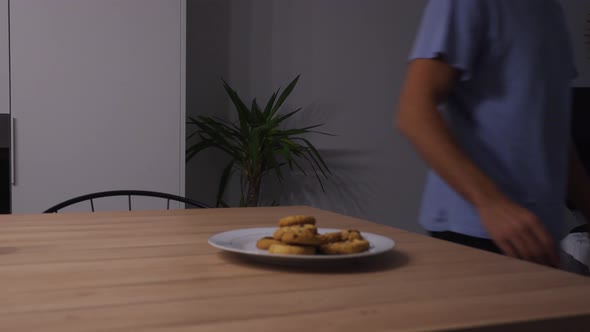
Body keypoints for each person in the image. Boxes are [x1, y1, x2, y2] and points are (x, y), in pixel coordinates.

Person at [395, 0, 590, 268]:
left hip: (539, 235)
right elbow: (413, 113)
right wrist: (492, 204)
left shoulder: (550, 9)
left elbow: (552, 129)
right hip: (478, 232)